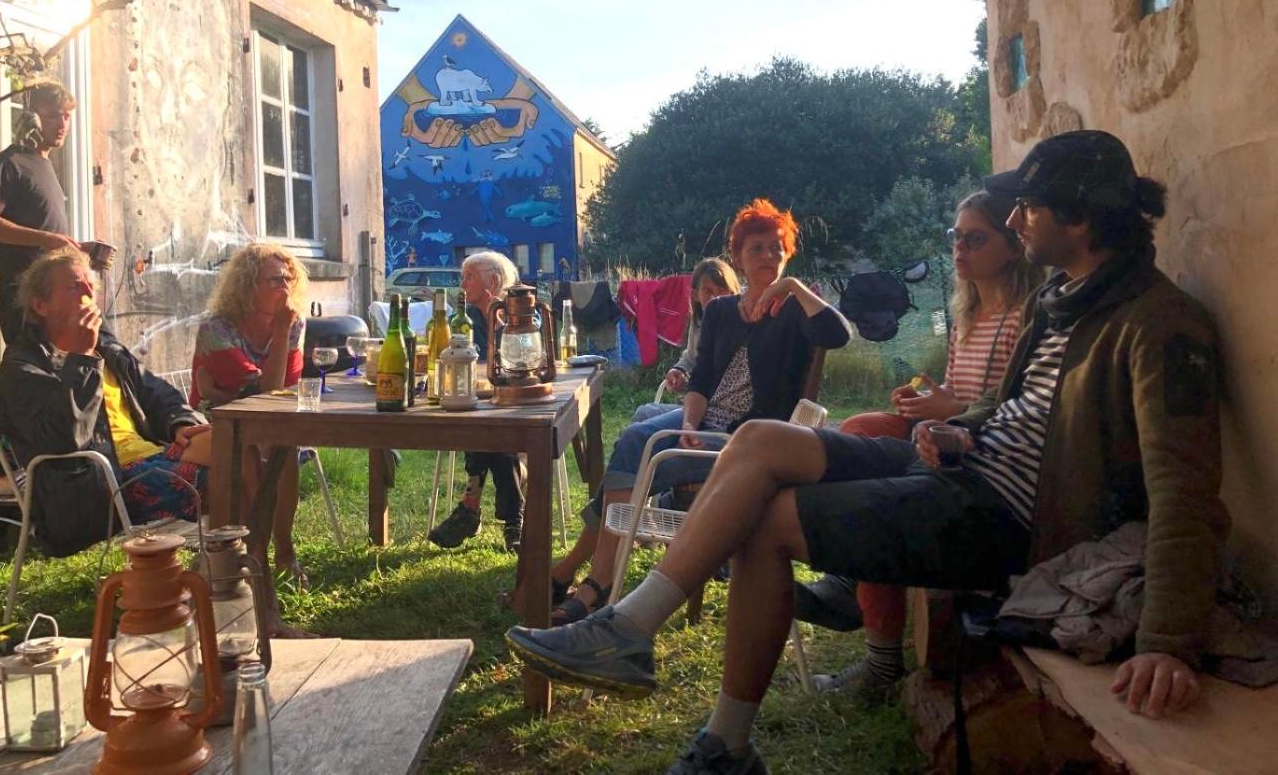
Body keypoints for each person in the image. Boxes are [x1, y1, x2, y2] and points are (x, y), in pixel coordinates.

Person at [507, 131, 1227, 775]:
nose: (1015, 220)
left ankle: (720, 738)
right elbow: (1013, 407)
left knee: (765, 522)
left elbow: (1185, 488)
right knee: (758, 440)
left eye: (1029, 208)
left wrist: (1167, 640)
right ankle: (631, 628)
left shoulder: (1157, 324)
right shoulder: (1063, 301)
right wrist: (962, 426)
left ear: (1080, 218)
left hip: (1007, 518)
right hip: (961, 467)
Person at [547, 200, 851, 626]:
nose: (768, 255)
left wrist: (794, 287)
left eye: (776, 248)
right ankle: (593, 578)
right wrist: (689, 422)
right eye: (756, 248)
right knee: (637, 439)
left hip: (748, 444)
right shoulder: (722, 310)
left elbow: (839, 334)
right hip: (705, 424)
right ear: (738, 258)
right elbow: (701, 380)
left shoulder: (798, 311)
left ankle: (593, 581)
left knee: (635, 442)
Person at [799, 190, 1044, 696]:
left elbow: (1014, 404)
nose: (960, 249)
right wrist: (925, 398)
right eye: (956, 236)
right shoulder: (968, 314)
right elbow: (956, 388)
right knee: (859, 426)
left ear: (1012, 247)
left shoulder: (1025, 318)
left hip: (980, 450)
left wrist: (950, 409)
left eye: (976, 239)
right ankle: (853, 598)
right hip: (944, 430)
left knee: (865, 450)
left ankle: (866, 626)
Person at [0, 247, 213, 555]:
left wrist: (181, 423)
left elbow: (156, 391)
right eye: (75, 286)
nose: (89, 293)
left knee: (239, 446)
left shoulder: (107, 348)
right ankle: (222, 567)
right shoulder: (22, 365)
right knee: (225, 477)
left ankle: (233, 563)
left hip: (154, 458)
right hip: (101, 486)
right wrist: (80, 359)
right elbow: (60, 440)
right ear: (40, 305)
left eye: (91, 285)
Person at [191, 244, 308, 585]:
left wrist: (224, 391)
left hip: (265, 422)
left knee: (285, 449)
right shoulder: (216, 329)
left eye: (288, 278)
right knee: (250, 453)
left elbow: (282, 392)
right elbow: (266, 392)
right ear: (248, 286)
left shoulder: (293, 323)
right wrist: (282, 332)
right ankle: (255, 558)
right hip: (213, 424)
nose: (284, 287)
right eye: (274, 280)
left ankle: (284, 551)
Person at [0, 82, 101, 343]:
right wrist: (46, 239)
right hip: (27, 306)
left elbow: (47, 234)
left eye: (67, 116)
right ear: (31, 117)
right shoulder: (9, 163)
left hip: (57, 304)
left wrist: (77, 249)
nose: (62, 124)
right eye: (53, 115)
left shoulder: (45, 166)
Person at [428, 250, 529, 552]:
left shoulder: (522, 312)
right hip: (481, 404)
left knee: (495, 438)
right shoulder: (466, 320)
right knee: (492, 438)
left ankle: (470, 509)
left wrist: (498, 323)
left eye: (469, 277)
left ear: (493, 281)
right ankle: (513, 522)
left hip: (520, 404)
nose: (462, 285)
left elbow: (523, 361)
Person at [630, 258, 741, 424]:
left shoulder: (741, 325)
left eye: (722, 291)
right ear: (696, 295)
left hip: (717, 413)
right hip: (697, 406)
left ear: (734, 293)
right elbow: (691, 356)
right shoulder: (700, 321)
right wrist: (679, 370)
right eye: (708, 292)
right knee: (644, 414)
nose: (716, 298)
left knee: (643, 417)